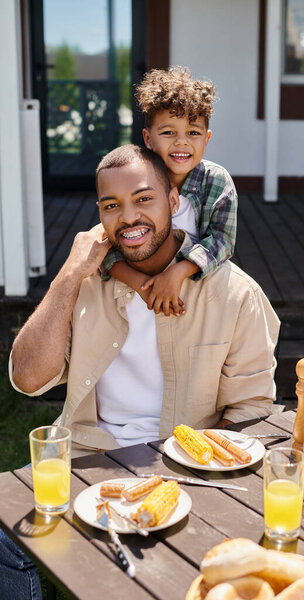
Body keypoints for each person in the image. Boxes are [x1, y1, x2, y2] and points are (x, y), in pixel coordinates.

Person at [4, 145, 279, 600]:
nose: (128, 218)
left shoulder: (234, 294)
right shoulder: (87, 283)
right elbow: (27, 378)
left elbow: (252, 408)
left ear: (173, 202)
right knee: (8, 547)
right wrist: (69, 274)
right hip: (88, 459)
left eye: (143, 199)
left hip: (181, 471)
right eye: (111, 206)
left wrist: (202, 470)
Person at [102, 67, 237, 317]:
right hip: (137, 293)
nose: (181, 142)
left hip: (196, 292)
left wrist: (177, 273)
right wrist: (142, 285)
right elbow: (105, 247)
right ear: (148, 138)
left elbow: (223, 241)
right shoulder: (133, 177)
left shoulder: (216, 181)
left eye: (193, 133)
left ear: (206, 139)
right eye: (168, 132)